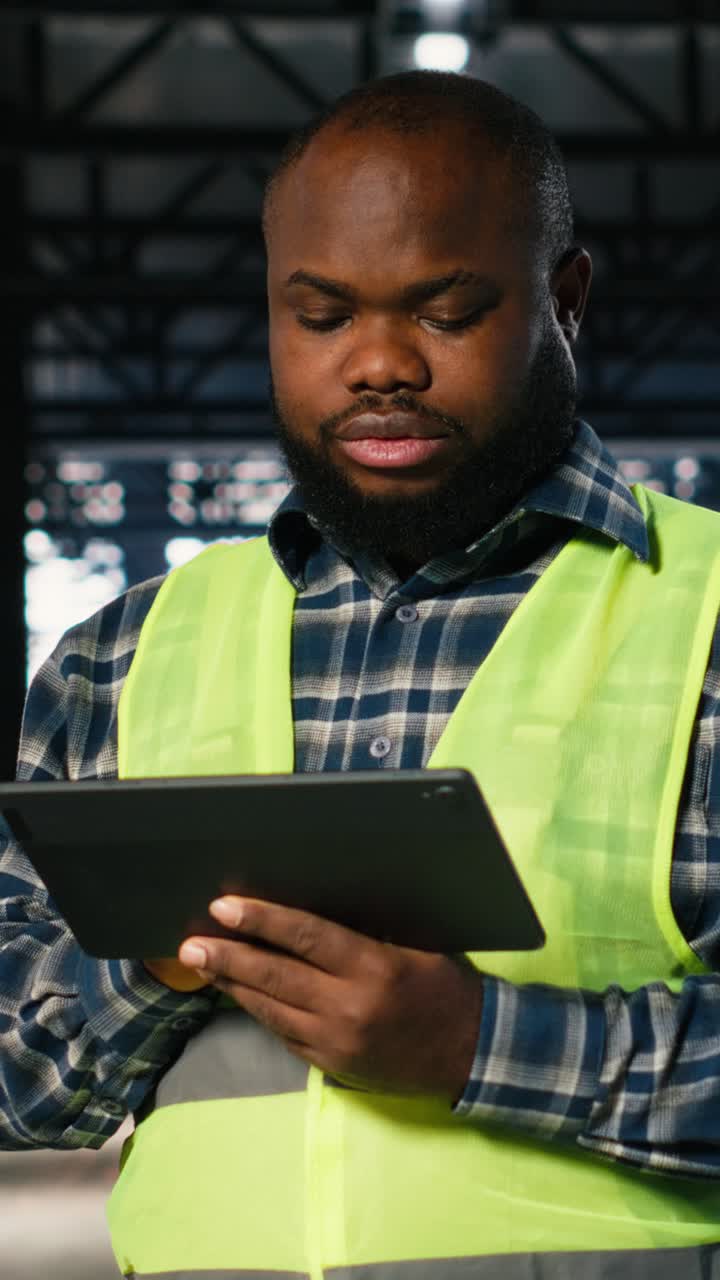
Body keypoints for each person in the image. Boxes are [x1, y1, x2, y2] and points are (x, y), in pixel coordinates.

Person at [2, 69, 720, 1280]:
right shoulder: (118, 654)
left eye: (446, 312)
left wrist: (481, 1041)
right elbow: (21, 1088)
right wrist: (154, 960)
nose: (380, 362)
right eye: (323, 317)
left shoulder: (700, 617)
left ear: (567, 299)